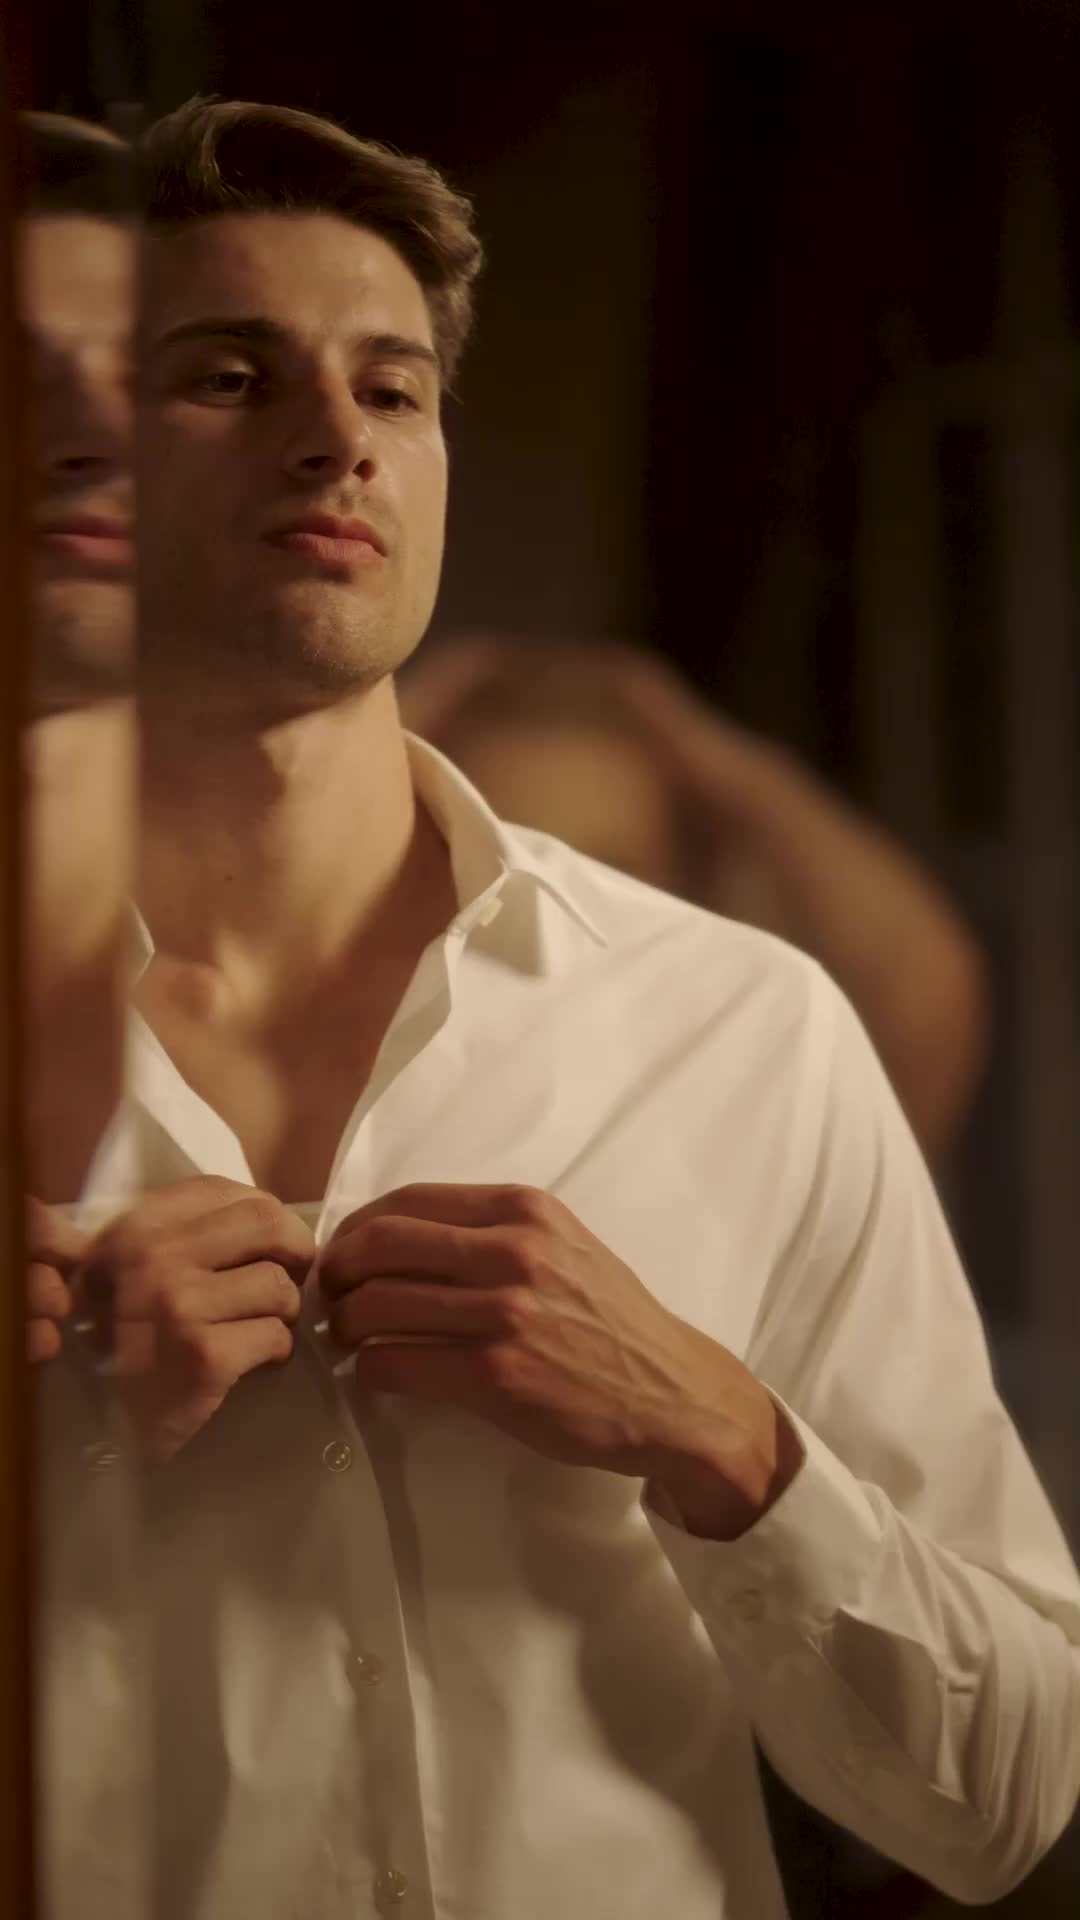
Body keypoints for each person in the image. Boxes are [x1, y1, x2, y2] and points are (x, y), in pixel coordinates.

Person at [72, 95, 1080, 1920]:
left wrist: (729, 1445)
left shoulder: (745, 1031)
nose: (338, 439)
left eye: (393, 389)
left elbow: (1007, 1805)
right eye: (229, 375)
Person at [399, 635, 990, 1161]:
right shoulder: (389, 1103)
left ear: (679, 886)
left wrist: (726, 765)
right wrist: (379, 743)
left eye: (609, 869)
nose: (557, 901)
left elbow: (921, 995)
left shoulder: (739, 1119)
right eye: (507, 858)